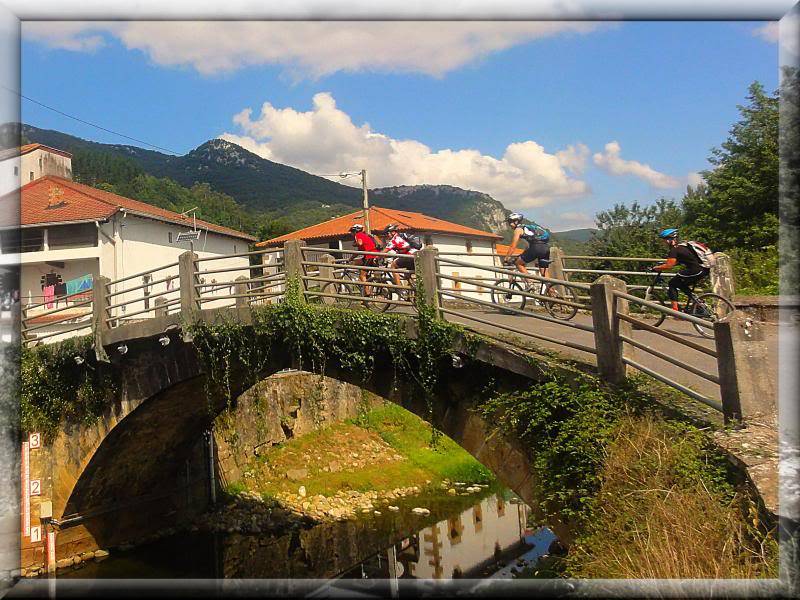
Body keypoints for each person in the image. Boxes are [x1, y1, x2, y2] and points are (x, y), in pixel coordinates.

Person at [652, 228, 710, 311]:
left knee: (672, 283)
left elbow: (669, 266)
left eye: (663, 240)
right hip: (702, 270)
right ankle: (698, 304)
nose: (663, 243)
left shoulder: (674, 250)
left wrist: (655, 268)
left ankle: (675, 310)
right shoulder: (682, 247)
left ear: (669, 240)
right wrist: (662, 265)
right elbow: (677, 261)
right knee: (680, 284)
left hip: (696, 270)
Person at [502, 213, 552, 288]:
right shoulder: (529, 227)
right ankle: (553, 293)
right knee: (544, 273)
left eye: (510, 222)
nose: (509, 225)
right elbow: (528, 246)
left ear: (516, 221)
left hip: (536, 248)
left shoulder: (518, 230)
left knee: (518, 263)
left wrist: (506, 258)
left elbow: (513, 246)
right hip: (545, 248)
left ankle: (530, 283)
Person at [349, 223, 380, 296]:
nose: (351, 234)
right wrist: (351, 258)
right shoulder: (365, 236)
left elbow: (359, 243)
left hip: (370, 256)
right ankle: (365, 283)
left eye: (352, 232)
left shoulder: (358, 235)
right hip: (374, 256)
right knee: (358, 263)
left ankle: (367, 292)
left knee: (362, 275)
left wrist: (354, 244)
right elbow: (358, 251)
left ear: (355, 231)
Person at [381, 223, 417, 288]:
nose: (387, 236)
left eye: (387, 233)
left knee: (393, 266)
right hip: (415, 255)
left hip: (409, 256)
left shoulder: (394, 240)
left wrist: (376, 257)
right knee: (407, 275)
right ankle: (414, 288)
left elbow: (384, 251)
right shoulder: (401, 237)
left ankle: (400, 288)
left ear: (392, 232)